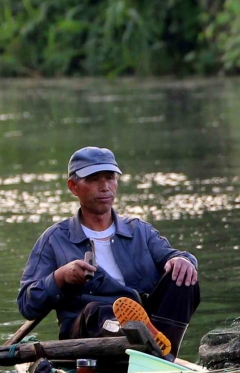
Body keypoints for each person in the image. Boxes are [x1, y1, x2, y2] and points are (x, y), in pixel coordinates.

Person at [17, 146, 200, 355]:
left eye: (110, 178)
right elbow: (27, 305)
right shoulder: (54, 240)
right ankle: (139, 339)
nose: (105, 187)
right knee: (98, 312)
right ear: (73, 186)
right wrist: (60, 277)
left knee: (184, 276)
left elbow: (173, 256)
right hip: (89, 340)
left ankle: (160, 349)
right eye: (94, 179)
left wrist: (182, 260)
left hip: (151, 324)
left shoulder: (139, 231)